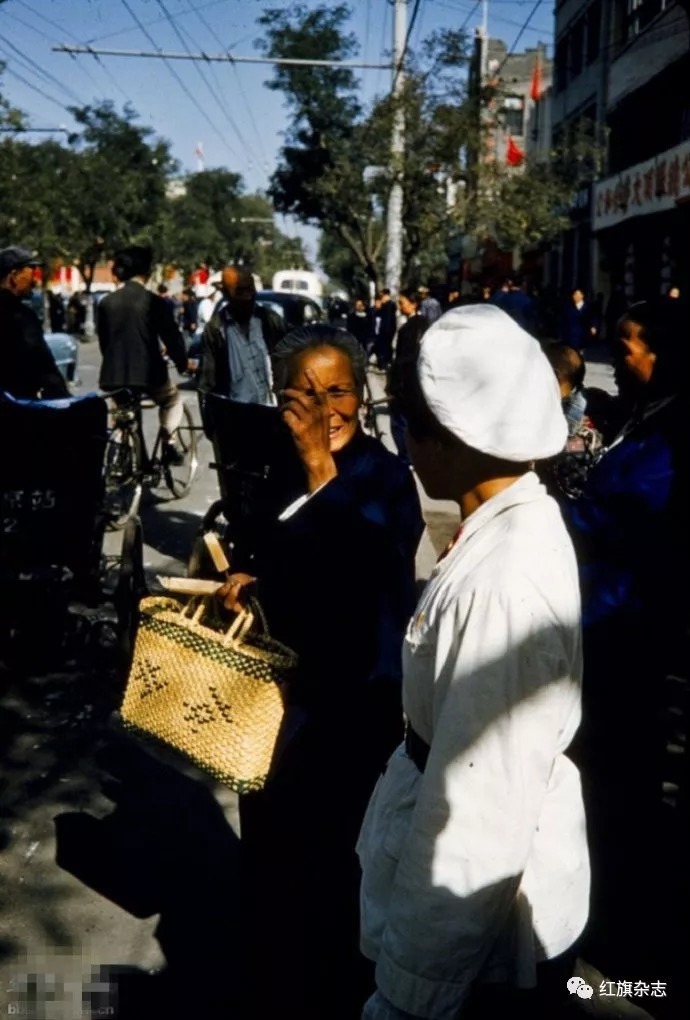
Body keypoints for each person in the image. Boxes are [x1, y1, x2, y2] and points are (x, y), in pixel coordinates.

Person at [357, 304, 589, 1019]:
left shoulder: (506, 583)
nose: (405, 447)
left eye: (408, 427)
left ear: (452, 436)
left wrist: (407, 994)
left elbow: (479, 816)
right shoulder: (503, 530)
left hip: (477, 953)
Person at [218, 324, 424, 1019]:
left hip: (357, 701)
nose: (323, 408)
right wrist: (247, 574)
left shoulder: (388, 478)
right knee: (275, 858)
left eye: (337, 391)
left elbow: (367, 573)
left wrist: (319, 474)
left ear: (362, 396)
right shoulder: (273, 464)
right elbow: (271, 553)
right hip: (278, 699)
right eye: (303, 394)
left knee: (342, 861)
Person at [558, 298, 688, 979]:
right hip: (601, 620)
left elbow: (636, 522)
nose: (621, 356)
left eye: (629, 345)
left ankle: (628, 930)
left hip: (631, 628)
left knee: (622, 781)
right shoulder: (640, 415)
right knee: (602, 777)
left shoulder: (674, 436)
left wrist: (572, 518)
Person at [97, 245, 188, 460]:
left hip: (112, 376)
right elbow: (172, 339)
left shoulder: (106, 303)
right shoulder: (154, 302)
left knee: (123, 412)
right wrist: (183, 363)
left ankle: (123, 450)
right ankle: (169, 443)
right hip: (148, 375)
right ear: (146, 274)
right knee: (172, 400)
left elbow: (105, 343)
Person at [197, 265, 285, 432]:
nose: (247, 296)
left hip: (272, 416)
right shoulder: (216, 329)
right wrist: (210, 427)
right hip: (235, 423)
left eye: (250, 289)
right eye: (240, 291)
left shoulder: (270, 321)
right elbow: (206, 383)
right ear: (226, 293)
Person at [0, 246, 69, 400]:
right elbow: (41, 363)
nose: (35, 280)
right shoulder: (20, 315)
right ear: (14, 275)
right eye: (32, 272)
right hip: (15, 407)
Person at [387, 289, 428, 464]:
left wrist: (395, 383)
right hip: (416, 382)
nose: (400, 306)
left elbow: (407, 357)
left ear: (413, 304)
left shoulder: (411, 327)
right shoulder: (424, 323)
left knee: (399, 422)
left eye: (402, 303)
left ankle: (405, 457)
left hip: (406, 383)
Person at [373, 288, 396, 371]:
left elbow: (388, 320)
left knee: (385, 348)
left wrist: (386, 331)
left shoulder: (389, 305)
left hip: (386, 331)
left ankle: (385, 364)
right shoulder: (385, 305)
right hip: (383, 330)